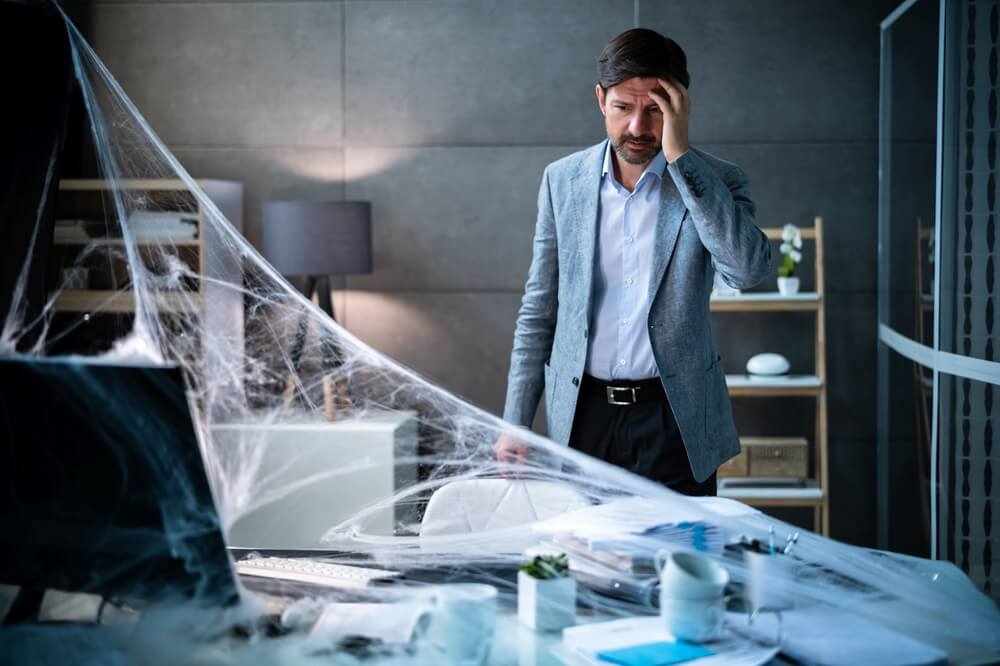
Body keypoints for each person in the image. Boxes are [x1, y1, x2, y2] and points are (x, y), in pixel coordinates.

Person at [495, 28, 772, 496]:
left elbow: (746, 270)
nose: (639, 129)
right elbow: (539, 310)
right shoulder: (561, 182)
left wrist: (681, 158)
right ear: (601, 100)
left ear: (679, 106)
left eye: (655, 110)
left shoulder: (717, 181)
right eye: (624, 107)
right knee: (587, 561)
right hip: (583, 418)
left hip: (675, 418)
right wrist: (515, 422)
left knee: (678, 564)